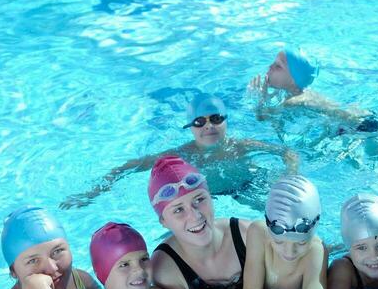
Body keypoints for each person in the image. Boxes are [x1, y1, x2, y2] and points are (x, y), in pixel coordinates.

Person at [61, 90, 297, 210]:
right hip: (205, 201)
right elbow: (131, 166)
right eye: (199, 122)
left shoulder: (242, 145)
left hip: (245, 188)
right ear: (190, 127)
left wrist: (288, 176)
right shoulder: (183, 154)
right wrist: (92, 193)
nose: (208, 126)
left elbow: (288, 153)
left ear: (225, 119)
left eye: (215, 118)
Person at [146, 155, 266, 289]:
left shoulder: (247, 235)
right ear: (163, 221)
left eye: (199, 199)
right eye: (178, 209)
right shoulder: (166, 267)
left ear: (211, 196)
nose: (195, 216)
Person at [249, 47, 378, 135]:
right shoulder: (301, 93)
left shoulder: (293, 101)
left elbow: (263, 119)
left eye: (278, 66)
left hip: (361, 124)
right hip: (362, 119)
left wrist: (260, 99)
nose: (270, 66)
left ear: (293, 79)